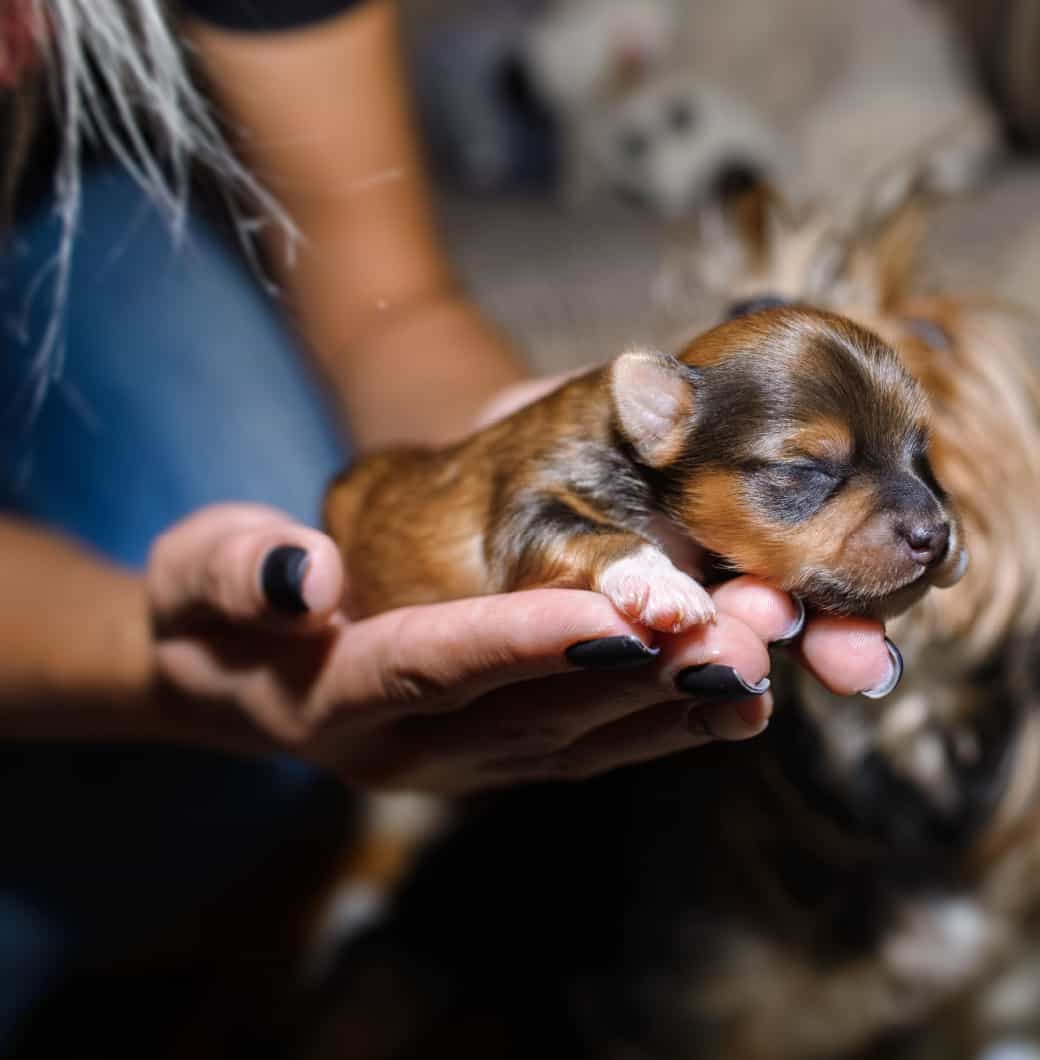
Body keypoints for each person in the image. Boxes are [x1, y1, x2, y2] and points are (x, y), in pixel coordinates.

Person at [0, 0, 899, 1042]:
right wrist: (168, 667)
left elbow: (385, 290)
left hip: (63, 197)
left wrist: (500, 445)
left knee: (279, 508)